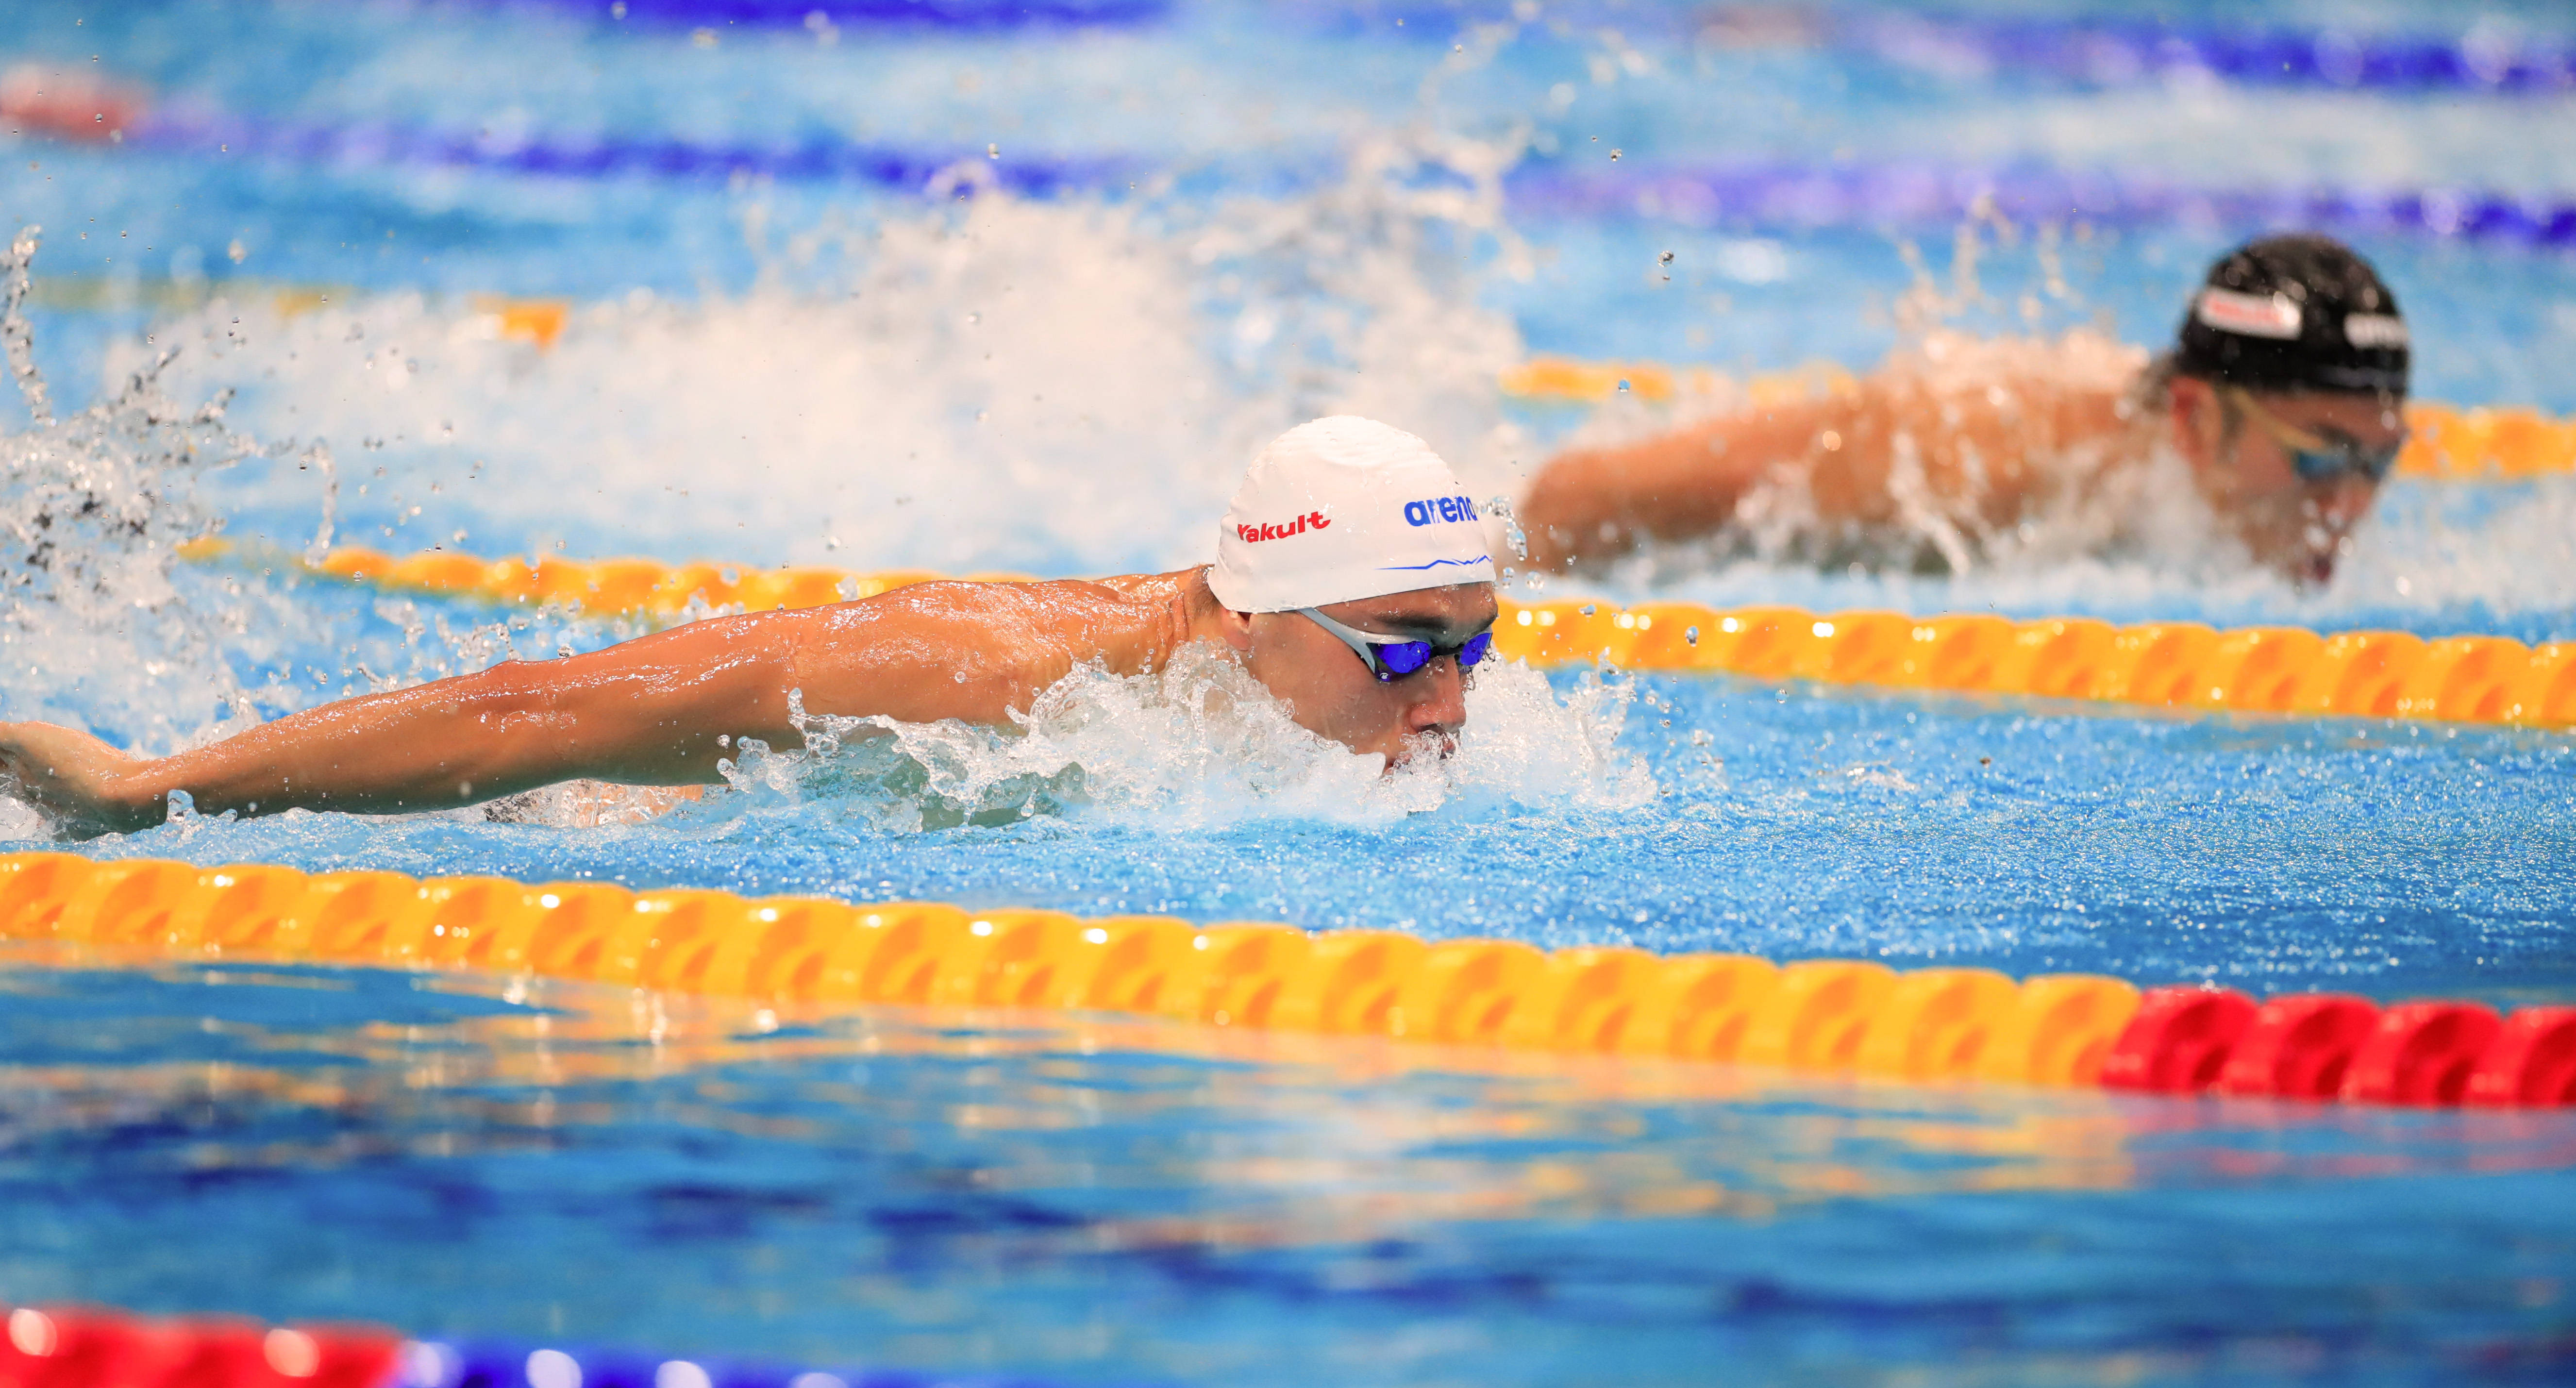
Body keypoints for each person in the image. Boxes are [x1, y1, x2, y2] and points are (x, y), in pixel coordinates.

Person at [0, 417, 1500, 839]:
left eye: (1470, 645)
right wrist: (144, 788)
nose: (1447, 704)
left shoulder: (1291, 669)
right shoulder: (981, 673)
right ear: (1247, 615)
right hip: (595, 833)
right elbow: (532, 711)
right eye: (1404, 650)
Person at [1516, 233, 2411, 585]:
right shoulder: (1980, 462)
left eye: (2379, 460)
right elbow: (1568, 503)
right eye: (2321, 456)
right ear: (2193, 417)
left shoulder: (2190, 492)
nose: (2348, 504)